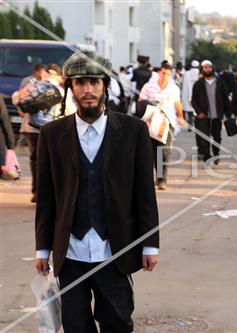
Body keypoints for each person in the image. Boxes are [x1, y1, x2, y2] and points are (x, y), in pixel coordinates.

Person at [34, 51, 159, 332]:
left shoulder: (133, 131)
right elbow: (46, 198)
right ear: (70, 88)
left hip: (115, 251)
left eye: (94, 82)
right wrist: (43, 249)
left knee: (117, 322)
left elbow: (144, 194)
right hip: (71, 253)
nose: (87, 90)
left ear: (105, 85)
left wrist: (150, 243)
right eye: (80, 83)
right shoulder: (52, 134)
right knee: (75, 326)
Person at [139, 63, 184, 190]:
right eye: (163, 73)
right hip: (150, 123)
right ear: (159, 72)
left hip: (167, 123)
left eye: (168, 74)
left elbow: (177, 103)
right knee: (151, 151)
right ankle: (154, 177)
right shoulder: (148, 86)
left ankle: (162, 179)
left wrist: (181, 116)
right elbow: (140, 101)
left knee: (163, 151)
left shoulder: (173, 88)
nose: (165, 76)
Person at [13, 63, 45, 202]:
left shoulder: (46, 85)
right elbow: (18, 97)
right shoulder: (30, 83)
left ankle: (38, 191)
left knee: (37, 159)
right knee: (37, 159)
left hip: (37, 128)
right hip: (33, 127)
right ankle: (38, 191)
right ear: (38, 71)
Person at [191, 60, 231, 165]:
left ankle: (216, 154)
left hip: (217, 116)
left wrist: (228, 114)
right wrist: (199, 112)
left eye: (209, 67)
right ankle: (207, 157)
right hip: (203, 117)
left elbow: (225, 99)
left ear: (212, 68)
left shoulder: (219, 83)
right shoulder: (198, 84)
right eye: (205, 67)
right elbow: (194, 100)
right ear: (202, 69)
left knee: (217, 137)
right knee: (204, 139)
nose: (207, 69)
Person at [181, 60, 200, 131]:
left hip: (187, 94)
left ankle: (190, 126)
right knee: (197, 111)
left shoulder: (186, 73)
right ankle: (197, 125)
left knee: (189, 112)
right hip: (197, 95)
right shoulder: (200, 73)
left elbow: (183, 84)